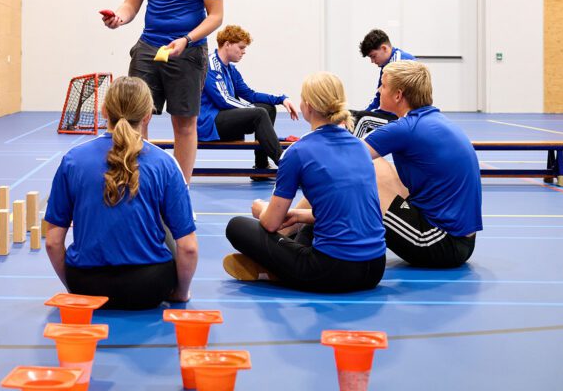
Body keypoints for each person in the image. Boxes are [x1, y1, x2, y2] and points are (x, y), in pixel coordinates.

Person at [222, 72, 386, 293]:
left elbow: (271, 224)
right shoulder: (359, 146)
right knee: (308, 227)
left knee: (237, 226)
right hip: (375, 268)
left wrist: (261, 209)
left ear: (307, 106)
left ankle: (276, 270)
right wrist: (300, 216)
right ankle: (285, 263)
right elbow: (346, 211)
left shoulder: (298, 151)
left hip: (333, 271)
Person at [44, 76, 198, 309]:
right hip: (150, 286)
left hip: (87, 285)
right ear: (147, 116)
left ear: (104, 111)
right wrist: (181, 292)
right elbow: (188, 247)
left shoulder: (73, 160)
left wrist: (74, 287)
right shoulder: (165, 163)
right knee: (166, 222)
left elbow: (53, 243)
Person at [102, 0, 224, 183]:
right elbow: (130, 5)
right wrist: (118, 18)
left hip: (187, 51)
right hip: (149, 47)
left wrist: (186, 39)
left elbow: (216, 16)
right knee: (134, 117)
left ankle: (180, 187)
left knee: (184, 123)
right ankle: (139, 182)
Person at [364, 61, 482, 268]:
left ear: (398, 95)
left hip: (440, 242)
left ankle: (301, 228)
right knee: (376, 166)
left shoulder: (405, 128)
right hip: (463, 240)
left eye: (383, 85)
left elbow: (345, 161)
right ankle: (304, 225)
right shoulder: (434, 119)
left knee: (355, 178)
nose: (378, 90)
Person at [198, 24, 299, 170]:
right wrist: (252, 109)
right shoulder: (211, 65)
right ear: (227, 44)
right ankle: (286, 166)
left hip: (223, 120)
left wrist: (281, 99)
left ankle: (261, 165)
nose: (243, 52)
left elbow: (250, 94)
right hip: (209, 125)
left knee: (268, 108)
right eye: (241, 47)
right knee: (259, 113)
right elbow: (224, 100)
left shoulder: (231, 69)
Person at [351, 29, 415, 138]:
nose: (372, 61)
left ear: (384, 48)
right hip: (391, 114)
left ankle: (354, 149)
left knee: (363, 119)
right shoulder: (386, 65)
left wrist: (365, 114)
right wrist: (364, 112)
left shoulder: (399, 62)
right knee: (350, 116)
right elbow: (378, 97)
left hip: (403, 118)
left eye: (373, 56)